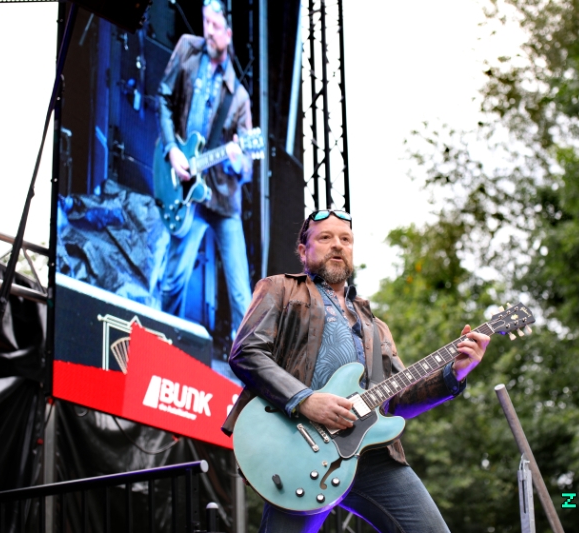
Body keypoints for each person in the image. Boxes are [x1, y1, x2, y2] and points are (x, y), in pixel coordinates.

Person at [222, 209, 490, 532]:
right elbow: (246, 352)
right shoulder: (280, 289)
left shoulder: (376, 327)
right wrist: (305, 399)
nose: (338, 244)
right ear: (303, 250)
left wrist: (455, 373)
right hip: (300, 450)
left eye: (345, 239)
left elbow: (398, 399)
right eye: (325, 237)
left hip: (374, 456)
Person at [157, 0, 252, 338]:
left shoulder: (239, 97)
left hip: (224, 202)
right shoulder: (187, 48)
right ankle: (164, 347)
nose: (209, 31)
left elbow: (247, 166)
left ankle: (248, 364)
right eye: (205, 23)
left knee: (242, 295)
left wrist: (237, 159)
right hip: (189, 193)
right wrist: (171, 149)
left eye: (215, 26)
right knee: (173, 281)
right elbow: (164, 98)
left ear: (229, 33)